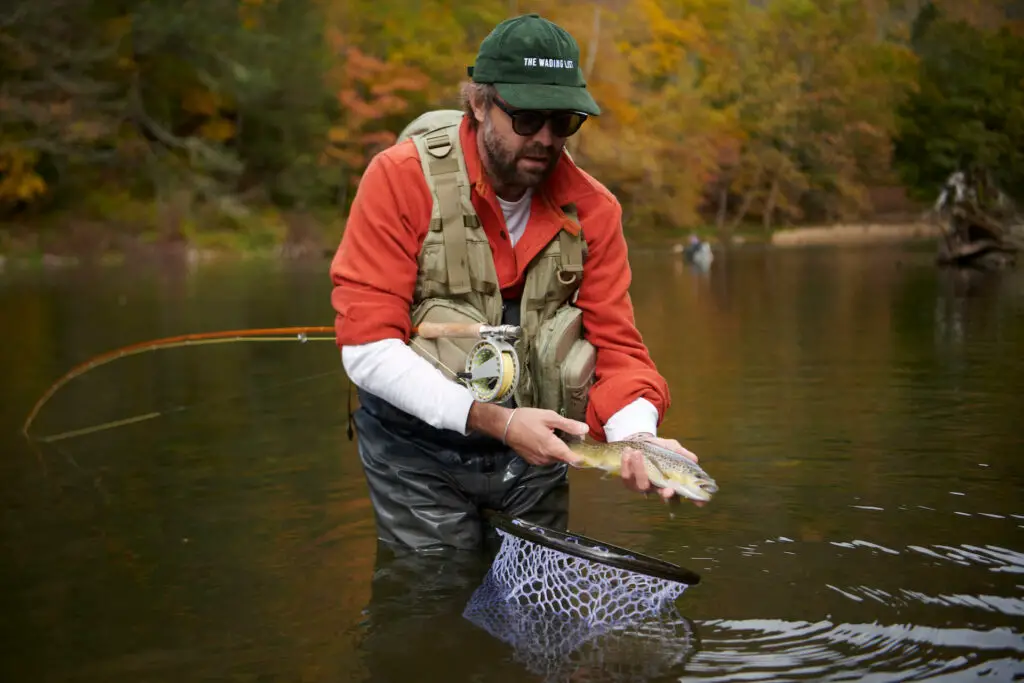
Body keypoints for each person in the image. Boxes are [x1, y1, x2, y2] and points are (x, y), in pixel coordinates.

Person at [328, 13, 704, 553]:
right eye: (527, 119)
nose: (547, 139)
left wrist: (636, 437)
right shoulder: (398, 178)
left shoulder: (595, 210)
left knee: (534, 610)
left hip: (539, 447)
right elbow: (367, 349)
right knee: (434, 595)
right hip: (413, 451)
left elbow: (618, 350)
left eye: (564, 122)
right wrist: (496, 422)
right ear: (479, 104)